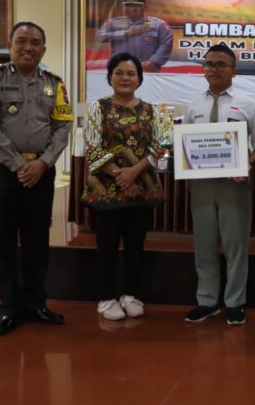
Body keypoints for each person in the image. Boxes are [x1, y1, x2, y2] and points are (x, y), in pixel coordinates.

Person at [0, 21, 73, 335]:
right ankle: (9, 307)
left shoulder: (55, 84)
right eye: (22, 41)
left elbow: (63, 127)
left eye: (35, 42)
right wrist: (18, 164)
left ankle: (36, 303)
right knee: (1, 241)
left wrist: (43, 163)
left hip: (40, 174)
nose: (28, 47)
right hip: (1, 173)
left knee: (36, 240)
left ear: (44, 48)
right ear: (10, 45)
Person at [183, 44, 255, 326]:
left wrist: (248, 165)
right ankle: (206, 302)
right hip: (202, 185)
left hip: (235, 185)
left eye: (220, 64)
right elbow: (184, 146)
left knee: (236, 246)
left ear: (234, 69)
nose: (213, 69)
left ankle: (235, 303)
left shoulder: (248, 105)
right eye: (208, 64)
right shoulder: (193, 106)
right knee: (203, 245)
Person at [81, 52, 164, 321]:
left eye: (131, 73)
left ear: (139, 78)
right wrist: (119, 174)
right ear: (110, 77)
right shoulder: (99, 107)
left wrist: (134, 171)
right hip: (106, 188)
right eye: (119, 72)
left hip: (141, 186)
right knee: (106, 244)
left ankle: (130, 294)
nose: (125, 78)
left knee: (135, 244)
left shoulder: (151, 111)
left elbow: (159, 147)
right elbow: (92, 146)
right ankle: (106, 298)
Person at [96, 0, 173, 73]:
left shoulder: (159, 24)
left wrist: (154, 62)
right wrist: (126, 33)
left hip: (147, 68)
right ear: (123, 7)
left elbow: (166, 43)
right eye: (128, 5)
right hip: (120, 67)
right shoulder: (113, 23)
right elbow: (100, 37)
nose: (132, 9)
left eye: (137, 6)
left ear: (145, 7)